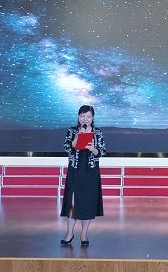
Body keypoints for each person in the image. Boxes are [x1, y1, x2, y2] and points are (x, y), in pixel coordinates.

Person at [60, 105, 107, 246]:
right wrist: (78, 138)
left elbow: (102, 152)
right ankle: (69, 234)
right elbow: (67, 147)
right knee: (72, 202)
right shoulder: (72, 131)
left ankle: (84, 234)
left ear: (92, 118)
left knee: (87, 202)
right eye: (82, 116)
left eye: (88, 116)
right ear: (78, 117)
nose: (85, 119)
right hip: (75, 169)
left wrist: (92, 148)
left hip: (90, 171)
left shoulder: (97, 132)